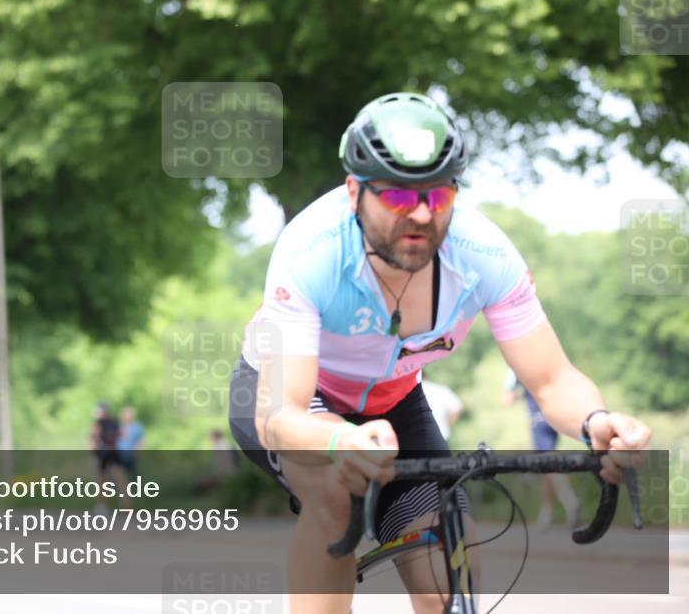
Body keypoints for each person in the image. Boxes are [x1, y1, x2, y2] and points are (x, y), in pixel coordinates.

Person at [228, 92, 653, 614]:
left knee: (447, 564)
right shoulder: (309, 251)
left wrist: (596, 421)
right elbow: (279, 416)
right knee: (333, 498)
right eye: (401, 199)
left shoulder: (484, 254)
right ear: (354, 190)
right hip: (299, 399)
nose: (423, 216)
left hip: (394, 403)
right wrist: (343, 437)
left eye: (439, 197)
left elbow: (551, 380)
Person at [503, 368, 582, 530]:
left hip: (538, 421)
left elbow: (506, 399)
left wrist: (522, 395)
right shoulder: (543, 360)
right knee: (547, 466)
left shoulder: (514, 367)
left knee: (548, 462)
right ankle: (546, 514)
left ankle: (569, 500)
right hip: (554, 420)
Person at [89, 402, 125, 511]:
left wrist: (93, 449)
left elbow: (94, 437)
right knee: (120, 478)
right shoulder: (115, 422)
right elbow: (122, 435)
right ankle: (126, 505)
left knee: (102, 480)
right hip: (114, 452)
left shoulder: (99, 423)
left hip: (104, 453)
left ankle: (102, 505)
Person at [420, 377, 463, 441]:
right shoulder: (440, 389)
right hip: (440, 435)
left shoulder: (411, 392)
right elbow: (458, 407)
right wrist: (447, 423)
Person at [117, 406, 145, 478]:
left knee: (134, 474)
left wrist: (137, 451)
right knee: (119, 474)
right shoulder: (119, 426)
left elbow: (140, 441)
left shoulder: (137, 427)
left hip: (131, 454)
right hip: (119, 454)